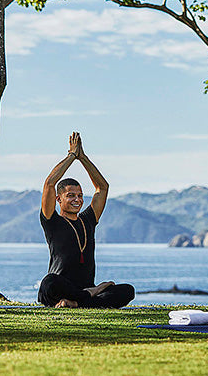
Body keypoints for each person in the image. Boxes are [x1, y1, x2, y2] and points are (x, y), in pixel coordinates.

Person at [37, 132, 135, 308]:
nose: (77, 200)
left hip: (84, 288)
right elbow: (49, 184)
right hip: (60, 288)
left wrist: (83, 157)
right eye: (71, 195)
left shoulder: (87, 220)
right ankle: (88, 297)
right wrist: (71, 156)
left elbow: (102, 188)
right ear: (59, 199)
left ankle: (76, 302)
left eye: (80, 195)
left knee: (127, 290)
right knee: (48, 282)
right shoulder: (52, 220)